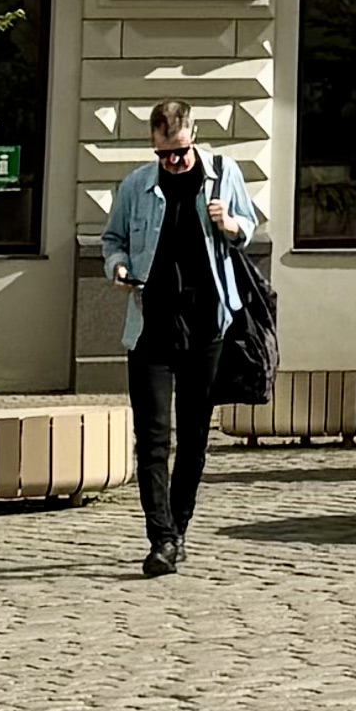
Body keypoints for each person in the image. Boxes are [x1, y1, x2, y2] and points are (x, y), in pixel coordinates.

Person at [102, 95, 259, 577]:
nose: (172, 162)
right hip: (150, 328)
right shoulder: (136, 186)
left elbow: (248, 227)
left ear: (194, 138)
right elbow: (112, 240)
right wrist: (118, 266)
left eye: (180, 152)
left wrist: (229, 224)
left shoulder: (223, 174)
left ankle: (179, 528)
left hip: (207, 326)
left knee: (193, 439)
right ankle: (162, 538)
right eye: (163, 154)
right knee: (151, 440)